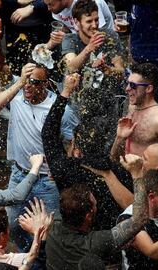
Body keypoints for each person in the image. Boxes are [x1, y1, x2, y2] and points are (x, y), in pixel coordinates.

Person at [0, 15, 77, 252]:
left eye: (35, 83)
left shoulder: (60, 109)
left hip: (47, 180)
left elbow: (71, 142)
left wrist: (62, 173)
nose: (28, 87)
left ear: (47, 83)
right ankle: (30, 257)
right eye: (26, 81)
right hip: (19, 175)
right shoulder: (18, 91)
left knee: (50, 234)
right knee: (13, 226)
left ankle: (42, 261)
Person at [42, 73, 133, 231]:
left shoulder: (64, 168)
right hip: (109, 238)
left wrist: (66, 92)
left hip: (74, 237)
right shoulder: (116, 171)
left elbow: (48, 132)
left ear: (76, 148)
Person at [45, 168, 151, 270]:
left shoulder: (51, 229)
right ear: (88, 216)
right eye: (95, 204)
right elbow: (140, 218)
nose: (97, 205)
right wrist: (137, 174)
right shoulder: (93, 244)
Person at [61, 0, 125, 154]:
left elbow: (120, 72)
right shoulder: (70, 40)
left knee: (108, 153)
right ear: (77, 22)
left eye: (96, 20)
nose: (95, 25)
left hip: (107, 107)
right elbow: (70, 67)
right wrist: (89, 49)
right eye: (89, 21)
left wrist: (106, 68)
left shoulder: (109, 37)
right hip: (80, 110)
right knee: (78, 153)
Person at [114, 0, 158, 107]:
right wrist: (127, 23)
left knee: (153, 109)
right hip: (141, 63)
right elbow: (141, 18)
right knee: (137, 107)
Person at [0, 198, 54, 269]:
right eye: (8, 230)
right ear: (2, 235)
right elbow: (38, 262)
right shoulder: (14, 262)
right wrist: (41, 232)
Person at [12, 0, 114, 34]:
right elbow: (66, 28)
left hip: (106, 41)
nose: (48, 8)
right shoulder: (57, 8)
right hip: (80, 41)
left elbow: (98, 34)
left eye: (50, 4)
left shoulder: (91, 3)